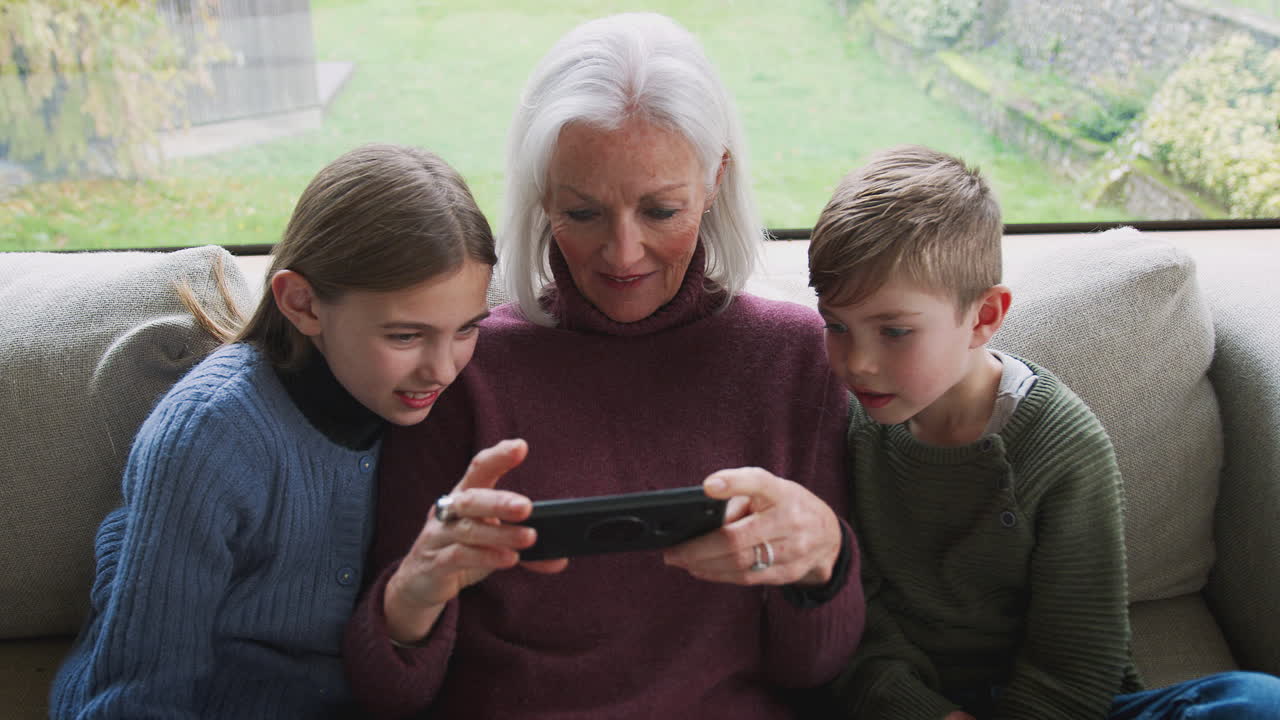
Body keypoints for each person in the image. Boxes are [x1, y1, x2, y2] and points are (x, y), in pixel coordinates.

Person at [343, 13, 864, 719]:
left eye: (661, 210)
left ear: (715, 180)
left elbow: (812, 673)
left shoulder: (798, 361)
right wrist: (413, 591)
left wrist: (824, 561)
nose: (623, 254)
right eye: (583, 212)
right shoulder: (462, 363)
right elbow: (390, 695)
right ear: (541, 193)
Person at [808, 144, 1280, 719]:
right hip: (908, 705)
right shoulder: (848, 423)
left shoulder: (1061, 446)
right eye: (836, 325)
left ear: (984, 317)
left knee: (1254, 703)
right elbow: (853, 614)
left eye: (895, 332)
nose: (856, 362)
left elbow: (1079, 656)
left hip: (1057, 705)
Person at [50, 143, 497, 718]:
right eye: (405, 336)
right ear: (302, 304)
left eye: (466, 329)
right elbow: (140, 693)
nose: (442, 368)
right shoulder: (207, 436)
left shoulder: (432, 407)